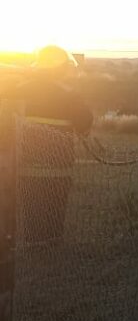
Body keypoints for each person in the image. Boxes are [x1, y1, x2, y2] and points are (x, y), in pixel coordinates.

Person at [10, 45, 93, 242]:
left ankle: (33, 239)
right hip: (59, 163)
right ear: (62, 68)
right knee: (54, 205)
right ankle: (51, 241)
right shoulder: (70, 93)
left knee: (32, 204)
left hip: (28, 160)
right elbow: (85, 122)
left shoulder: (23, 88)